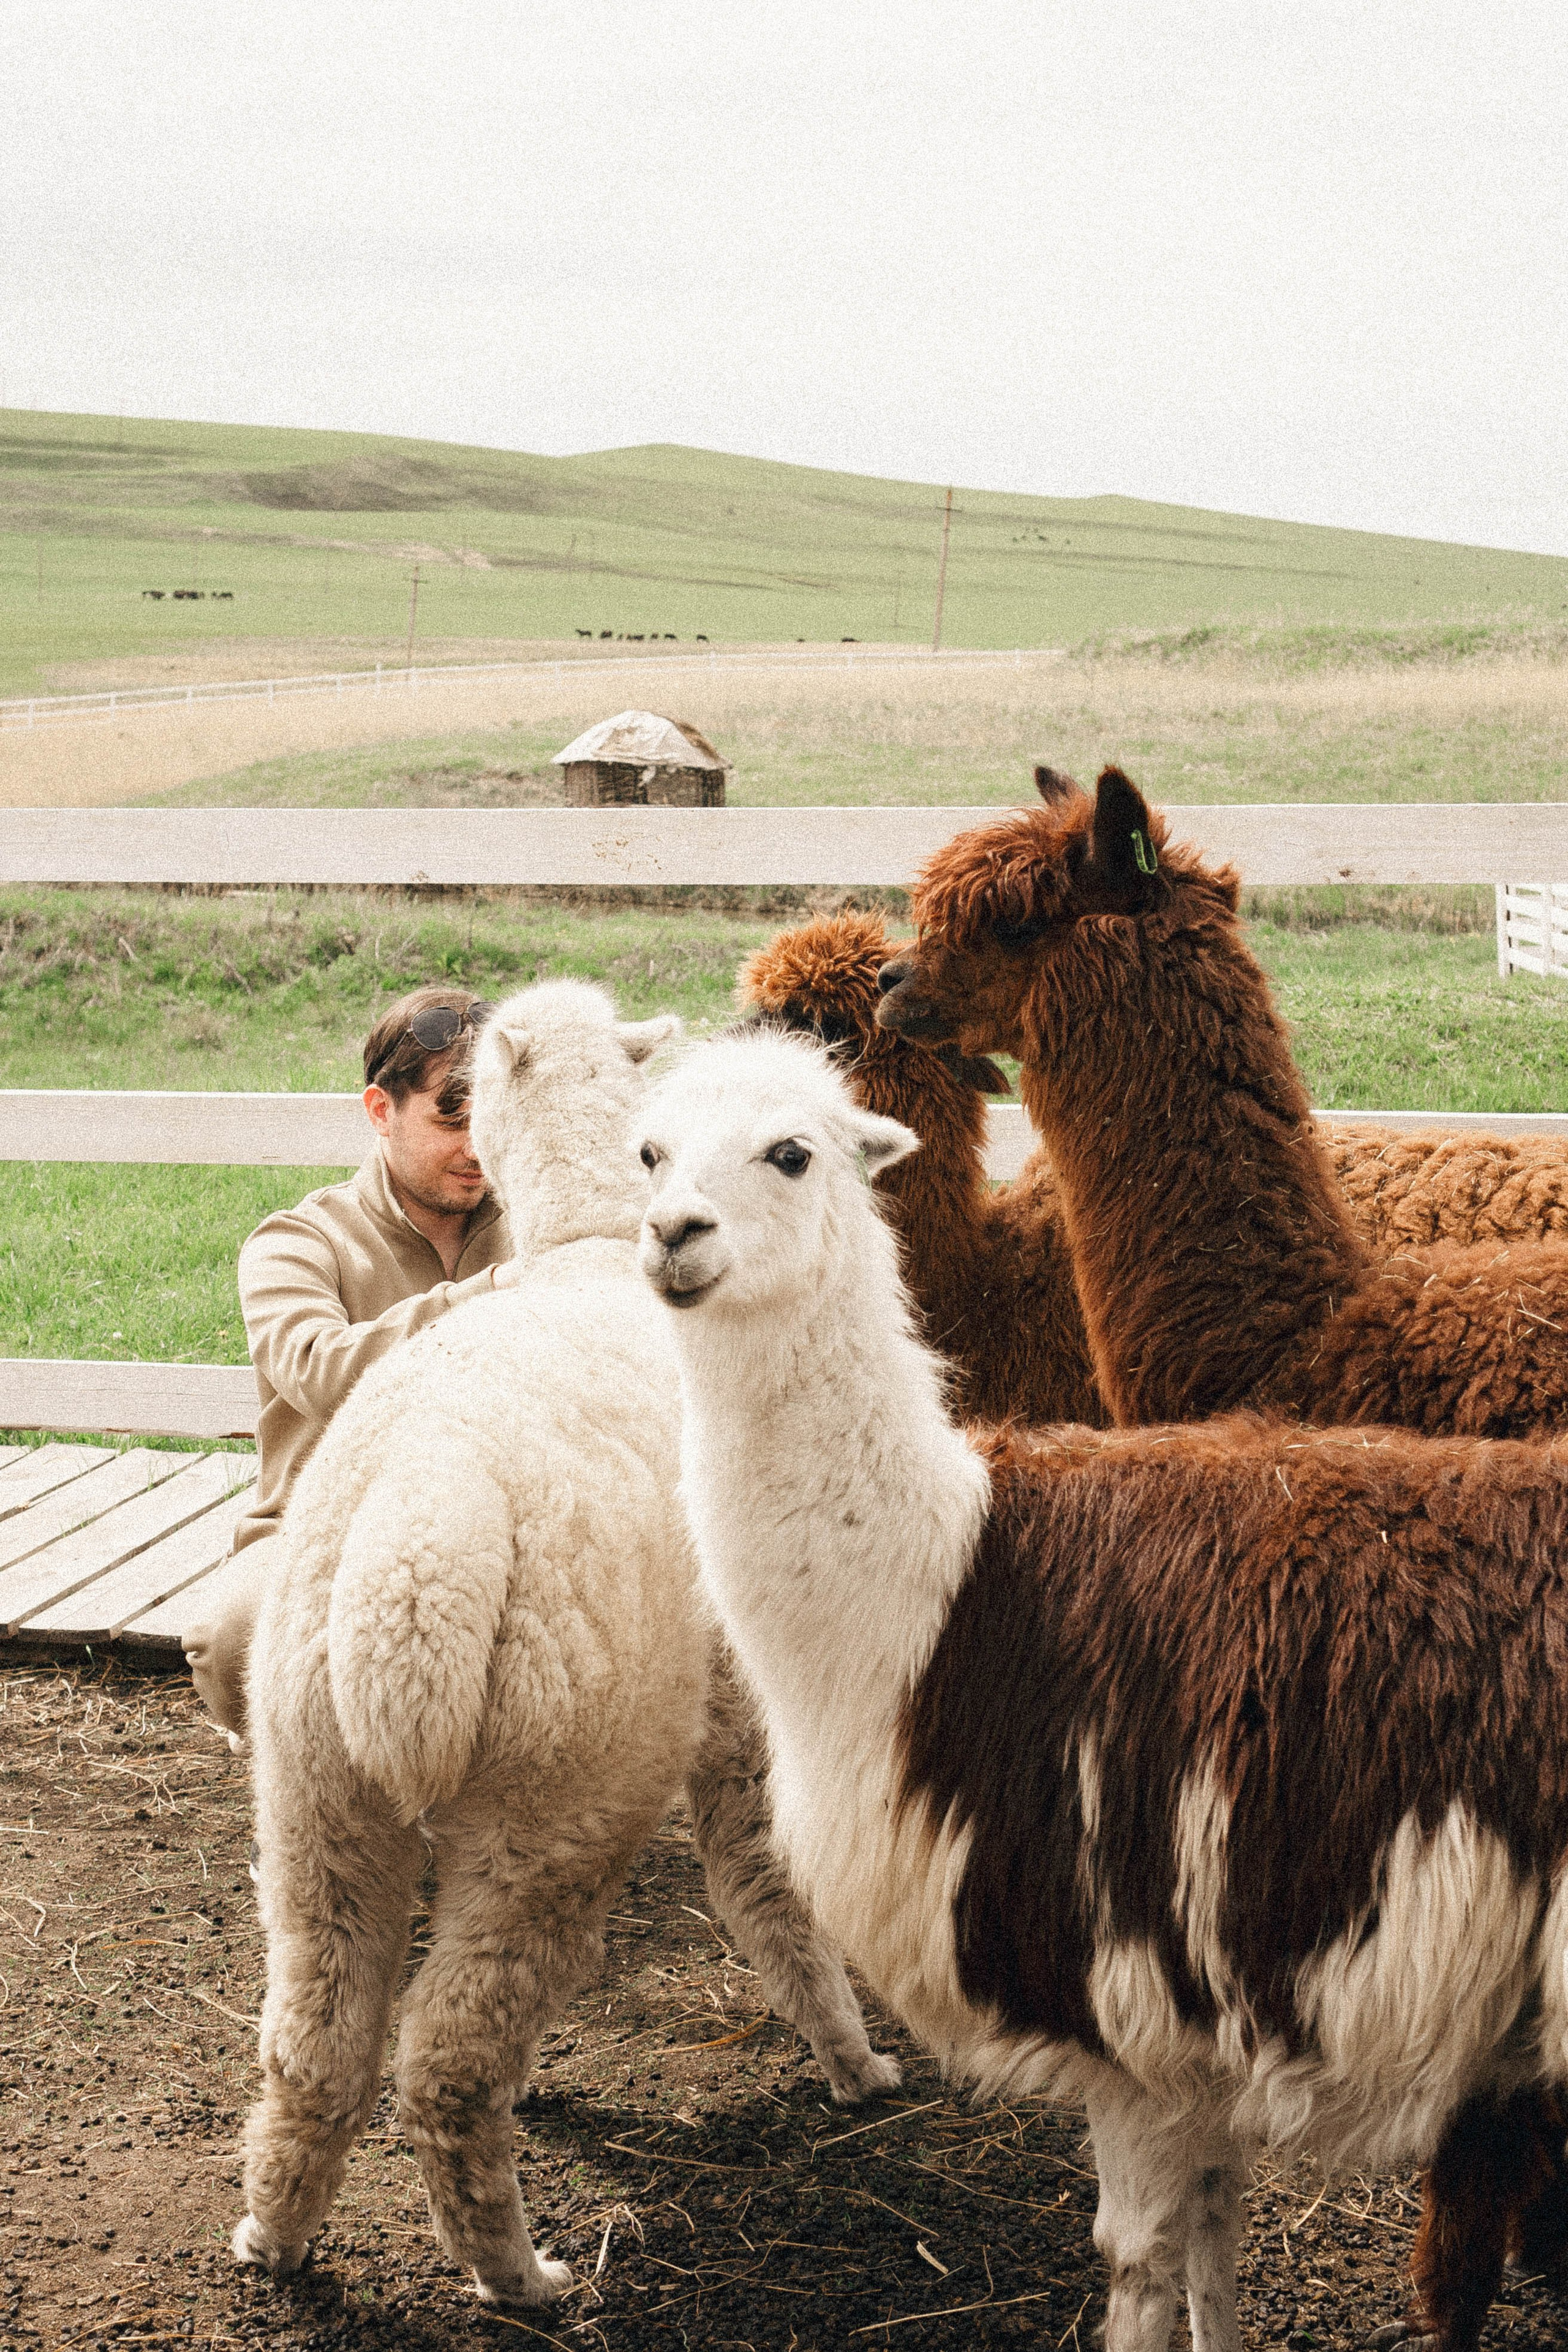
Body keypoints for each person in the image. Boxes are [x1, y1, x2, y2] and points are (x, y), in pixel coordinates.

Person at [183, 986, 516, 1737]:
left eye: (493, 1117)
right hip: (322, 1526)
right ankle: (315, 1759)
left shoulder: (532, 1225)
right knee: (232, 1643)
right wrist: (491, 1294)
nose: (477, 1146)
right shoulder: (295, 1242)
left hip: (507, 1521)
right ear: (379, 1111)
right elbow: (321, 1370)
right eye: (451, 1116)